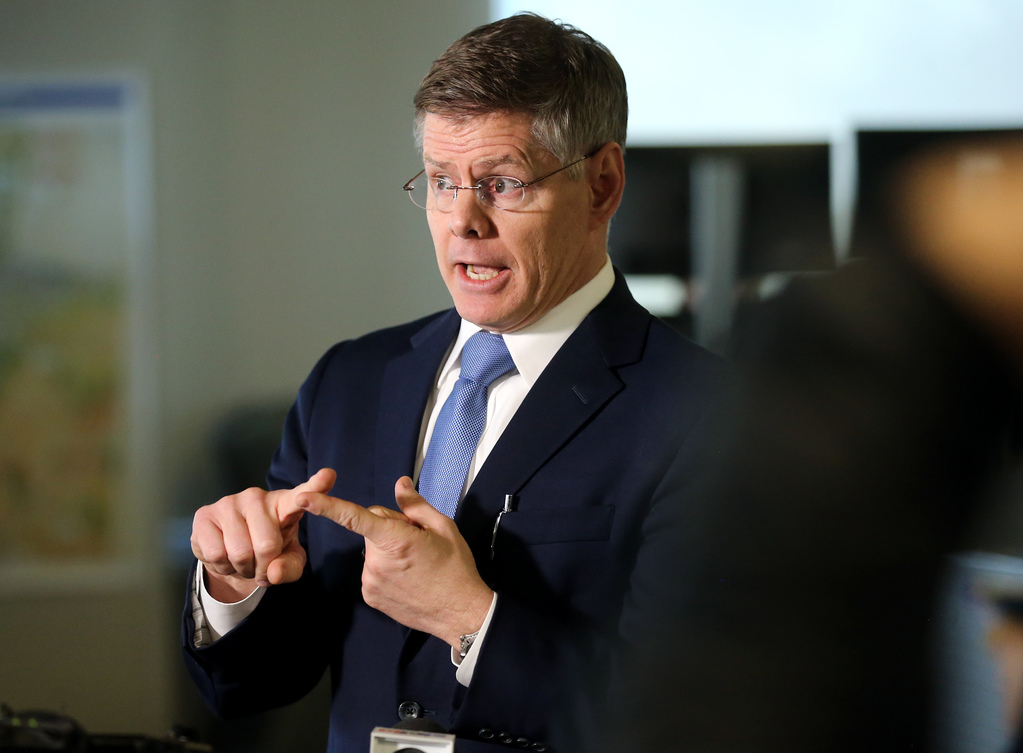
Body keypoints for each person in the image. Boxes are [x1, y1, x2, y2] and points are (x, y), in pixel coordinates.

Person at [182, 13, 731, 753]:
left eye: (502, 184)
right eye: (442, 183)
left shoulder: (713, 414)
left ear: (601, 186)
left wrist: (471, 618)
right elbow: (254, 686)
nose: (462, 222)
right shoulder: (350, 380)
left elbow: (692, 715)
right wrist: (233, 584)